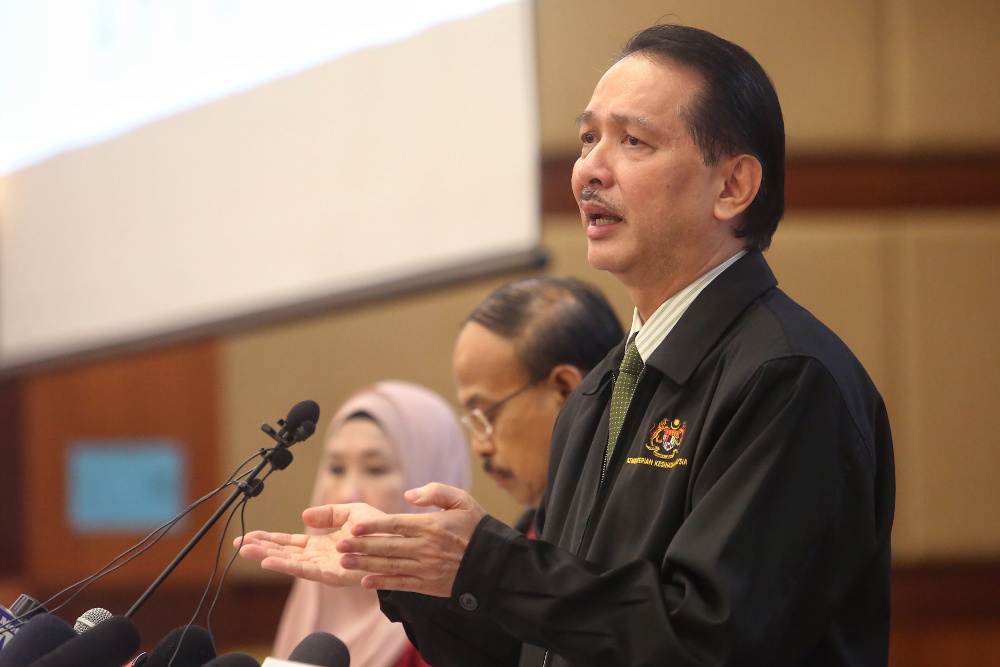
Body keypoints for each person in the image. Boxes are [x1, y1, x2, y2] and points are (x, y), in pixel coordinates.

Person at [238, 24, 895, 666]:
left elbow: (709, 641)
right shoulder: (599, 391)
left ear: (732, 187)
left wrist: (489, 562)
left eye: (633, 140)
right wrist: (411, 575)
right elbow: (545, 647)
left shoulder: (786, 378)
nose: (588, 171)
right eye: (588, 139)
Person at [268, 381, 469, 667]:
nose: (348, 494)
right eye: (336, 468)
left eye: (375, 469)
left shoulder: (457, 635)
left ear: (432, 476)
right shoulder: (308, 607)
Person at [453, 277, 623, 534]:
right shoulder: (532, 536)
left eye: (489, 415)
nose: (480, 447)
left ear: (565, 389)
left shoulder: (641, 519)